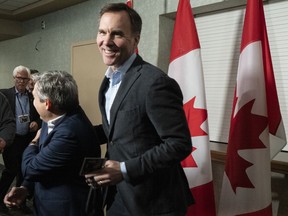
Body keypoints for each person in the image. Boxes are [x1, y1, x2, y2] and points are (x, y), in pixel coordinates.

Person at [85, 3, 194, 216]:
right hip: (118, 197)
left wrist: (124, 170)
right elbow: (118, 131)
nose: (106, 42)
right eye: (102, 32)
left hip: (154, 203)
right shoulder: (109, 80)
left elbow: (179, 144)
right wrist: (70, 130)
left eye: (117, 34)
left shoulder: (155, 83)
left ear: (136, 40)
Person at [4, 71, 103, 216]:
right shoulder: (54, 115)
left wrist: (33, 142)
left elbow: (30, 168)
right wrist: (26, 188)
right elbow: (46, 164)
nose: (33, 102)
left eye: (34, 98)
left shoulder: (69, 132)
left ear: (47, 103)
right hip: (46, 201)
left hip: (65, 208)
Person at [0, 65, 41, 214]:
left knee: (25, 170)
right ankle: (0, 198)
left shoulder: (33, 96)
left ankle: (20, 200)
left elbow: (39, 116)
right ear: (14, 78)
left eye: (25, 78)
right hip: (12, 140)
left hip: (27, 139)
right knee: (11, 170)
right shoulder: (4, 95)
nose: (22, 81)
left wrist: (37, 123)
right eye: (19, 78)